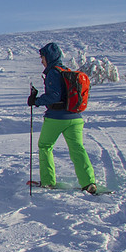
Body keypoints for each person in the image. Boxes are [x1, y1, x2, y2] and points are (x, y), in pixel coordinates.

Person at [28, 42, 98, 193]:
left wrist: (36, 101)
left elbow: (54, 96)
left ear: (49, 57)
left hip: (56, 118)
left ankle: (48, 181)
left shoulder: (53, 72)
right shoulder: (67, 71)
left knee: (45, 146)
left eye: (42, 57)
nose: (41, 61)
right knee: (78, 149)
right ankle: (89, 183)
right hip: (76, 117)